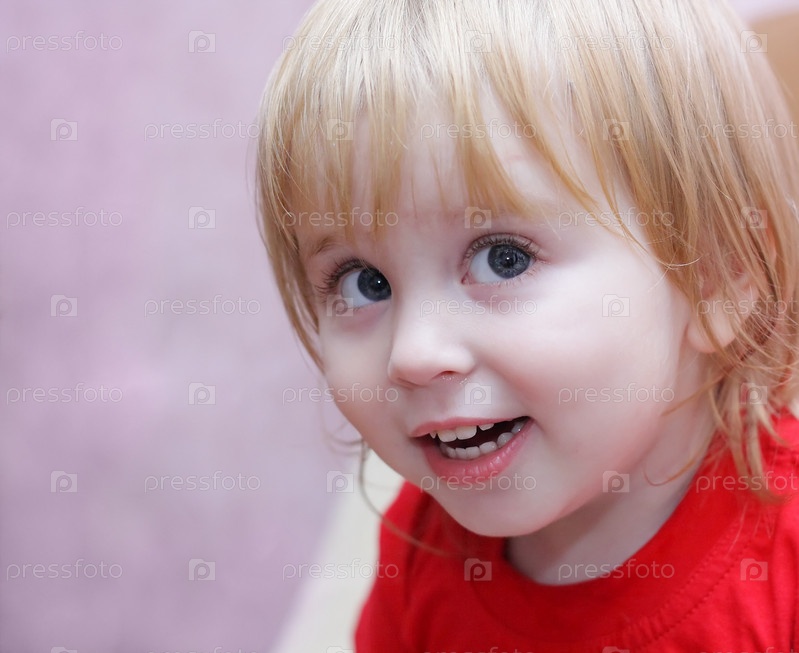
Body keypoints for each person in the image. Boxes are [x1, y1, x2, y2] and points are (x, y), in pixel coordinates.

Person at [257, 0, 799, 649]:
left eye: (502, 258)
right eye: (364, 281)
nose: (414, 353)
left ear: (716, 277)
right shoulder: (421, 548)